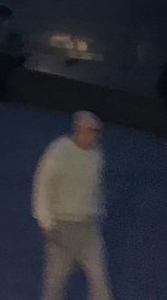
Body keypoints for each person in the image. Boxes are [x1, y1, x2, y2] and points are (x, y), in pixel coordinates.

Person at [32, 111, 112, 300]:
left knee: (99, 279)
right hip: (62, 227)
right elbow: (42, 186)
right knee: (56, 282)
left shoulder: (96, 154)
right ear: (78, 130)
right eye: (90, 131)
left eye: (95, 132)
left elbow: (96, 186)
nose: (93, 136)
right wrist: (46, 222)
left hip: (88, 228)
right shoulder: (59, 152)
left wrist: (99, 210)